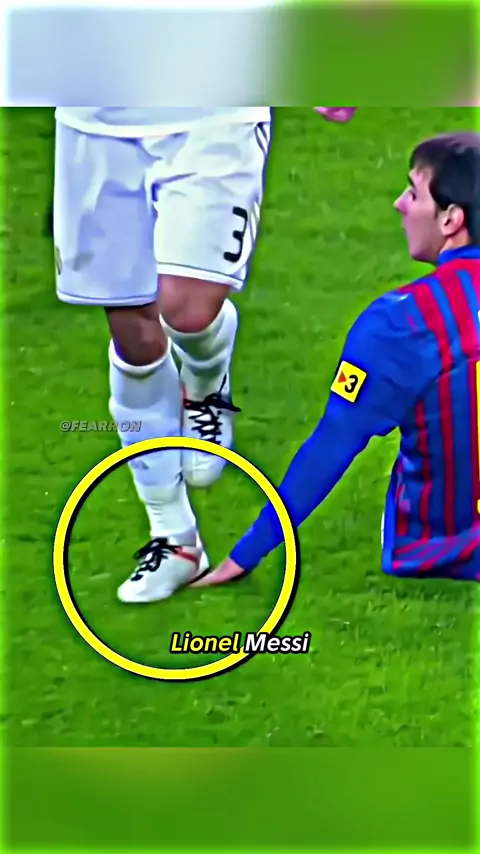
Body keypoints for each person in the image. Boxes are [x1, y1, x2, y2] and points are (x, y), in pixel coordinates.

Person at [53, 106, 357, 604]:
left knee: (186, 309)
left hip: (212, 109)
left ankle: (206, 378)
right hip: (95, 120)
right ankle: (174, 538)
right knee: (133, 334)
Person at [195, 131, 480, 587]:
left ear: (451, 219)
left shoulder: (402, 322)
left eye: (413, 193)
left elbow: (333, 444)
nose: (399, 205)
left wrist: (245, 554)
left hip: (444, 549)